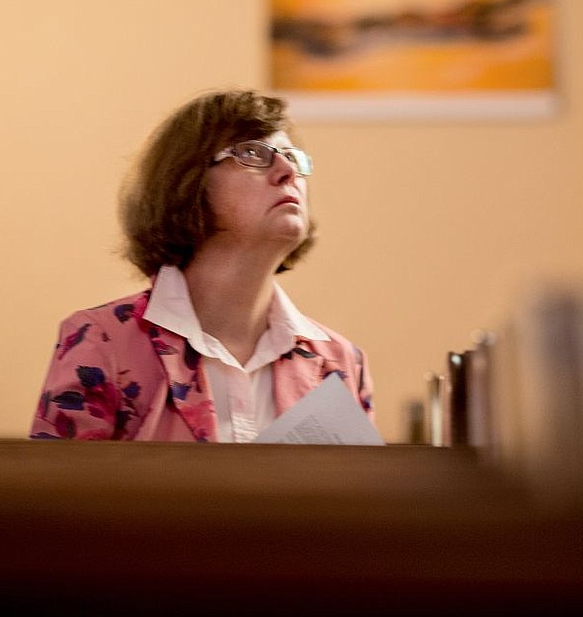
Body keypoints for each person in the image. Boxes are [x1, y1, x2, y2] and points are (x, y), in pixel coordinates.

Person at [29, 89, 375, 442]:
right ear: (188, 180)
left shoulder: (340, 362)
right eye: (253, 153)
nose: (288, 171)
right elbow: (62, 496)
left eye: (292, 157)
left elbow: (358, 497)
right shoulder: (101, 342)